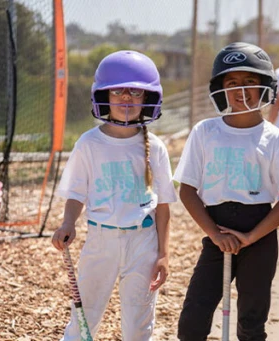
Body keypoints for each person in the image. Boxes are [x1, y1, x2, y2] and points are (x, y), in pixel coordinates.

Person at [174, 42, 279, 341]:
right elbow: (188, 190)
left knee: (252, 320)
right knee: (194, 314)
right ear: (220, 89)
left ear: (265, 88)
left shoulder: (274, 138)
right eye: (232, 83)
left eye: (250, 82)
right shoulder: (205, 131)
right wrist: (215, 235)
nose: (241, 90)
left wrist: (251, 237)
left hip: (260, 232)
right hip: (216, 229)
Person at [51, 50, 177, 340]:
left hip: (143, 243)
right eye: (117, 90)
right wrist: (68, 223)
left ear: (148, 98)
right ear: (103, 95)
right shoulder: (88, 143)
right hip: (100, 241)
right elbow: (76, 193)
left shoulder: (155, 147)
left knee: (137, 328)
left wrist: (164, 254)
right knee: (84, 321)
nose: (126, 98)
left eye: (136, 91)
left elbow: (164, 207)